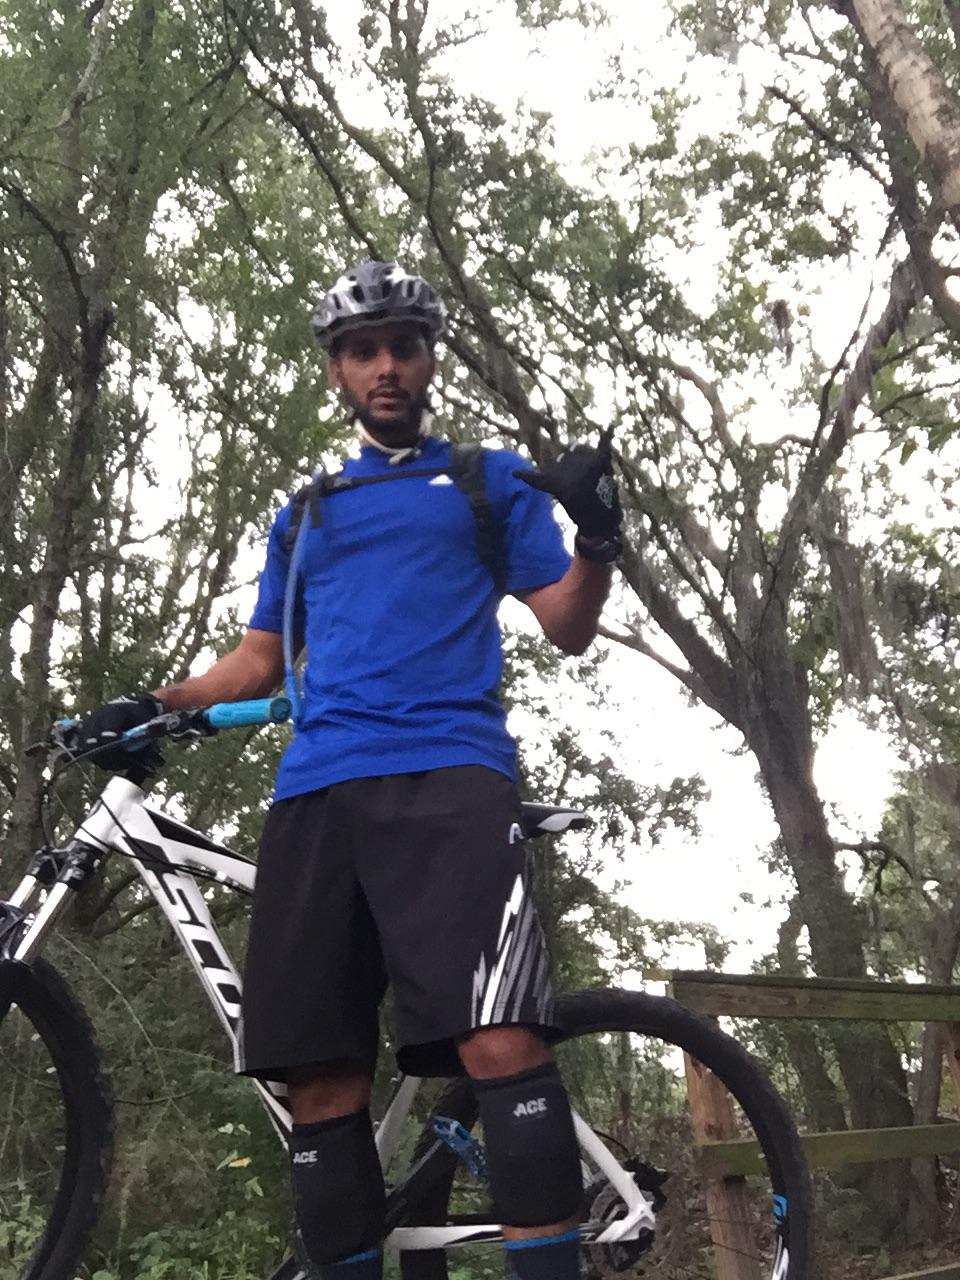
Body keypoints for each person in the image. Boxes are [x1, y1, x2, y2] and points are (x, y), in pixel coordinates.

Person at [75, 260, 623, 1280]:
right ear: (337, 369)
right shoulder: (310, 509)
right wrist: (157, 702)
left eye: (402, 346)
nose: (385, 366)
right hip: (317, 791)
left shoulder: (487, 478)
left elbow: (568, 624)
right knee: (318, 1079)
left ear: (428, 359)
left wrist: (598, 538)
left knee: (500, 1041)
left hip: (450, 776)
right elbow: (256, 657)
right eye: (363, 350)